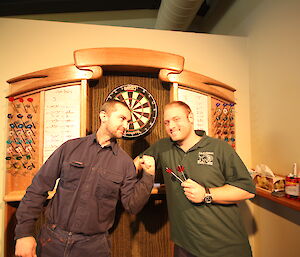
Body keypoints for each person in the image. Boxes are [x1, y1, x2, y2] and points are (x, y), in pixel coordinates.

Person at [15, 99, 155, 257]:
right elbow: (38, 188)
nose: (126, 125)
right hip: (52, 240)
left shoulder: (125, 164)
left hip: (92, 248)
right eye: (122, 118)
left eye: (128, 121)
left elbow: (132, 206)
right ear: (104, 116)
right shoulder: (70, 148)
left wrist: (148, 176)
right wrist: (23, 233)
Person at [135, 101, 256, 257]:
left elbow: (247, 190)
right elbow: (136, 163)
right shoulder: (163, 147)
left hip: (225, 247)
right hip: (185, 246)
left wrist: (206, 194)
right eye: (166, 122)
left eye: (176, 119)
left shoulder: (219, 148)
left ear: (190, 117)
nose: (171, 126)